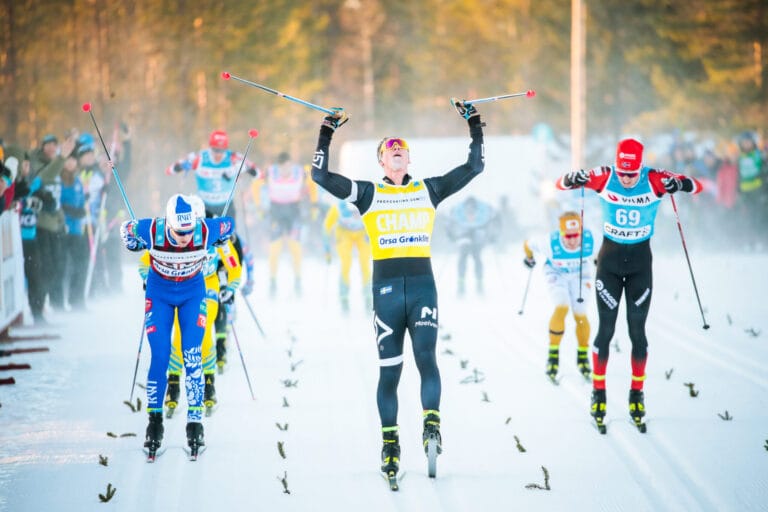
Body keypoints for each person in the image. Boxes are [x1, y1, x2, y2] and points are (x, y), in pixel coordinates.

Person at [311, 99, 485, 478]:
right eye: (390, 151)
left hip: (423, 287)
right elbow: (321, 178)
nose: (397, 154)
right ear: (381, 162)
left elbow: (474, 166)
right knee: (390, 373)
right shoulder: (369, 193)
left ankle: (431, 427)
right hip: (386, 292)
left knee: (427, 360)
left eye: (402, 150)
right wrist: (326, 131)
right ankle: (390, 446)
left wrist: (474, 124)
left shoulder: (430, 189)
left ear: (408, 159)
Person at [556, 137, 702, 432]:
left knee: (638, 332)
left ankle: (637, 393)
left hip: (639, 268)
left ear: (640, 167)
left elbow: (696, 185)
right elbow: (561, 184)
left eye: (631, 174)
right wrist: (572, 178)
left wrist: (681, 185)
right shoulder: (604, 175)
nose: (624, 179)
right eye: (622, 173)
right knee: (605, 331)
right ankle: (599, 392)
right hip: (608, 265)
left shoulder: (655, 178)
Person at [120, 193, 235, 459]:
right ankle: (155, 423)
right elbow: (127, 228)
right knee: (160, 356)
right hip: (159, 293)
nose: (185, 237)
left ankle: (195, 424)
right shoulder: (153, 229)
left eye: (189, 230)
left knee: (192, 354)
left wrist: (223, 237)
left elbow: (228, 224)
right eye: (179, 232)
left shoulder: (204, 229)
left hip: (193, 293)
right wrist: (132, 243)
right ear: (168, 223)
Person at [523, 211, 595, 383]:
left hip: (580, 275)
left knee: (580, 313)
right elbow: (528, 244)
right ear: (561, 233)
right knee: (562, 306)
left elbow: (605, 245)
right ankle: (553, 356)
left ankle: (582, 357)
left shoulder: (591, 238)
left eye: (575, 235)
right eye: (567, 236)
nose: (572, 240)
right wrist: (529, 258)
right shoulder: (549, 242)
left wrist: (602, 259)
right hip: (556, 274)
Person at [251, 151, 318, 297]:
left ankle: (298, 280)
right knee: (275, 248)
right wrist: (258, 205)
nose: (285, 171)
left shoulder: (300, 172)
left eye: (288, 167)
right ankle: (273, 281)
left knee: (295, 247)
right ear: (278, 166)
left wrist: (314, 204)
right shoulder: (270, 172)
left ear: (291, 165)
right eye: (283, 168)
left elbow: (313, 184)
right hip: (276, 211)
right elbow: (255, 185)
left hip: (294, 211)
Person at [166, 129, 259, 219]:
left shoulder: (234, 158)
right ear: (210, 146)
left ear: (226, 148)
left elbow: (259, 174)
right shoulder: (199, 157)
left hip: (226, 206)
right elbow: (170, 170)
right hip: (204, 207)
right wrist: (182, 166)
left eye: (221, 151)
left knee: (230, 234)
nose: (218, 154)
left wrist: (245, 168)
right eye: (215, 150)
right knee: (205, 233)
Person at [29, 133, 75, 312]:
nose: (51, 148)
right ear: (42, 147)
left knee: (58, 265)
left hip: (55, 223)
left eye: (54, 145)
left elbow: (57, 197)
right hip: (40, 225)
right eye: (48, 145)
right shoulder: (37, 163)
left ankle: (56, 303)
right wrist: (62, 157)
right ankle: (39, 306)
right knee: (44, 267)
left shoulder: (57, 165)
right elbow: (44, 178)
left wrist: (62, 219)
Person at [322, 198, 372, 312]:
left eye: (358, 213)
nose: (355, 216)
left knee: (365, 264)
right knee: (346, 263)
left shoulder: (367, 206)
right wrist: (327, 249)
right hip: (344, 233)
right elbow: (326, 227)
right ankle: (343, 297)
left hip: (362, 233)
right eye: (353, 213)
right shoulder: (338, 209)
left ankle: (368, 295)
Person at [447, 196, 497, 296]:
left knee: (475, 258)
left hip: (474, 236)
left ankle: (477, 284)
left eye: (472, 208)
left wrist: (490, 235)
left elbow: (488, 222)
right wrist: (451, 235)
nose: (470, 210)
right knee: (465, 258)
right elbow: (452, 223)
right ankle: (464, 285)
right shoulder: (461, 212)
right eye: (468, 208)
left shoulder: (480, 212)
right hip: (466, 236)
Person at [59, 153, 89, 310]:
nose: (71, 164)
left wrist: (82, 210)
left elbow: (82, 200)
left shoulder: (78, 180)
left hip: (77, 229)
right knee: (64, 266)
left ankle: (77, 299)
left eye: (73, 160)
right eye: (68, 160)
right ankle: (60, 300)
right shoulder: (60, 179)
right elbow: (59, 201)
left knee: (81, 263)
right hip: (64, 229)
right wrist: (69, 210)